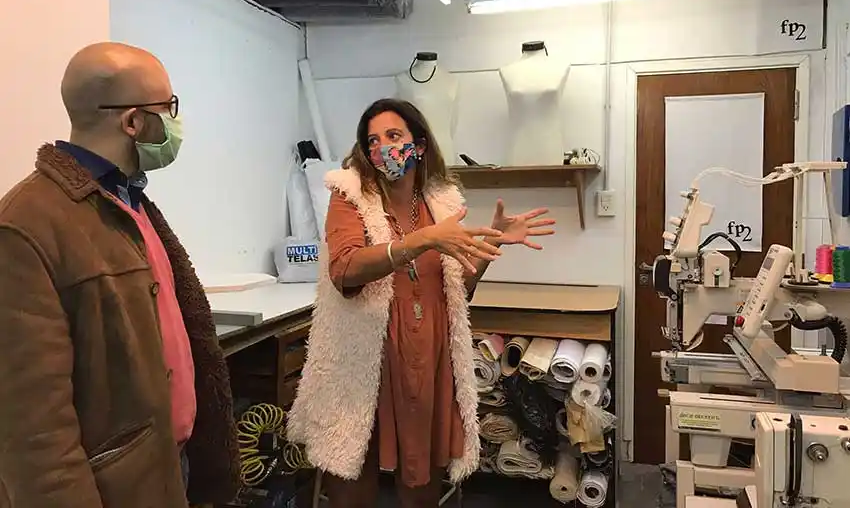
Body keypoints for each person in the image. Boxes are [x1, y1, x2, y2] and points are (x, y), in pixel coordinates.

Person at [0, 42, 240, 508]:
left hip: (167, 466)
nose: (174, 122)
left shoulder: (127, 203)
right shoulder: (27, 226)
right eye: (168, 107)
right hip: (116, 486)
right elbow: (34, 432)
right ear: (132, 122)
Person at [287, 98, 556, 507]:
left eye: (394, 136)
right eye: (372, 140)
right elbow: (344, 269)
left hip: (426, 357)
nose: (383, 148)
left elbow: (456, 291)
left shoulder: (440, 202)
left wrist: (492, 245)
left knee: (421, 484)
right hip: (365, 362)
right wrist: (421, 240)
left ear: (420, 144)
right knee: (352, 481)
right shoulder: (350, 195)